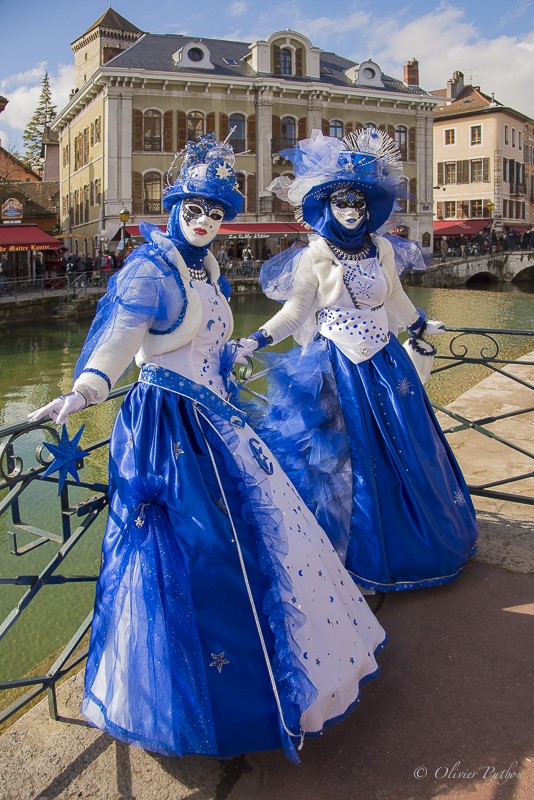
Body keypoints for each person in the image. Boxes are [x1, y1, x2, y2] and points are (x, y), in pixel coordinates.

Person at [27, 134, 386, 762]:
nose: (204, 221)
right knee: (192, 550)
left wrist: (240, 348)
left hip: (217, 422)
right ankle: (189, 693)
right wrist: (84, 391)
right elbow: (118, 338)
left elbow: (210, 342)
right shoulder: (149, 267)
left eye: (216, 213)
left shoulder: (207, 269)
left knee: (259, 542)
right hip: (170, 427)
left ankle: (272, 681)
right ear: (176, 209)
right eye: (195, 209)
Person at [237, 128, 478, 593]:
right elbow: (294, 312)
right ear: (327, 208)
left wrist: (421, 326)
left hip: (386, 367)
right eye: (342, 204)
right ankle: (348, 558)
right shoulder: (316, 253)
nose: (351, 212)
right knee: (344, 463)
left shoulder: (383, 248)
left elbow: (396, 301)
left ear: (369, 208)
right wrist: (256, 339)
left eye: (358, 204)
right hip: (337, 369)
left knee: (407, 452)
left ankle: (412, 543)